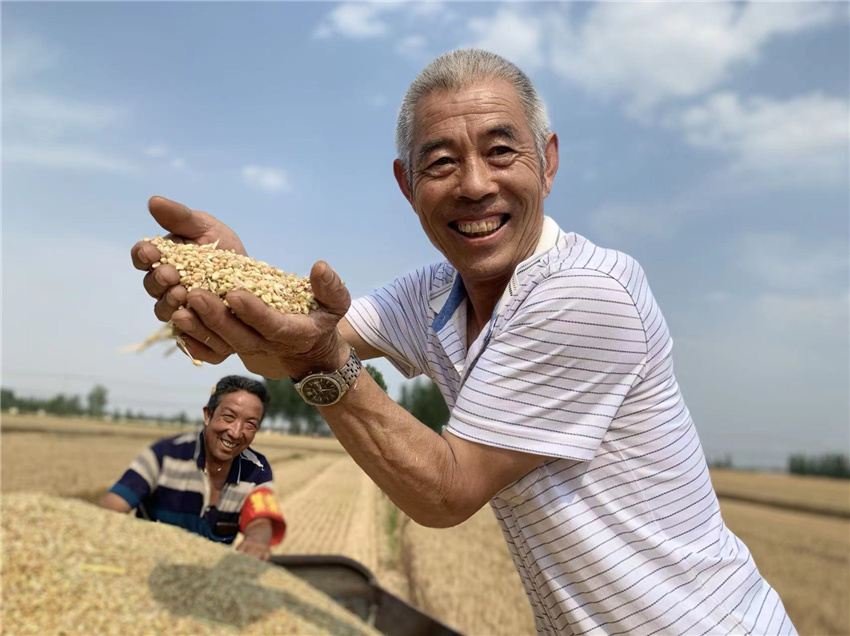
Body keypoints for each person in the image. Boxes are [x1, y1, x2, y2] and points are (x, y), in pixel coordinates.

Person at [131, 49, 795, 634]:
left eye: (501, 151)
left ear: (550, 160)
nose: (475, 184)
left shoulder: (587, 293)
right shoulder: (432, 293)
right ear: (407, 185)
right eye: (442, 162)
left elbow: (446, 490)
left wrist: (313, 355)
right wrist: (232, 293)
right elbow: (298, 341)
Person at [100, 375, 285, 561]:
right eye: (229, 417)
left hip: (207, 579)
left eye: (250, 425)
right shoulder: (165, 455)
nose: (236, 432)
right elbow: (111, 509)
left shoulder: (257, 470)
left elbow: (260, 519)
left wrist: (257, 541)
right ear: (207, 415)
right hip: (150, 567)